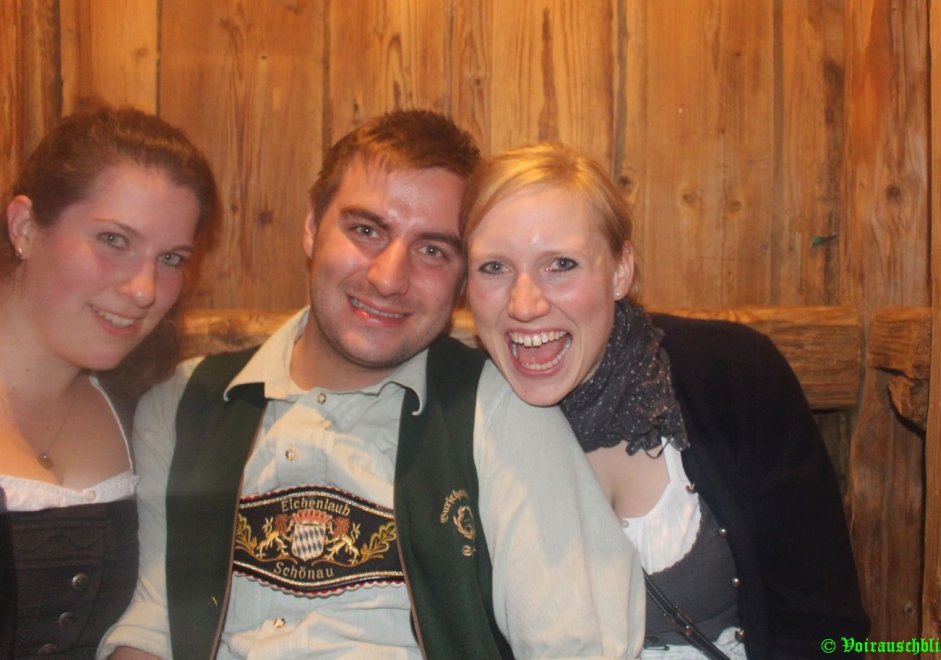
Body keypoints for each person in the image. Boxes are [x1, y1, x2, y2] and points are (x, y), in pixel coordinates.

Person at [100, 110, 643, 659]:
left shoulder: (497, 407)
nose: (388, 278)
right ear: (311, 225)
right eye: (366, 231)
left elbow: (575, 645)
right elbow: (153, 623)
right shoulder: (185, 402)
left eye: (433, 250)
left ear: (462, 278)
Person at [463, 142, 870, 659]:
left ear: (620, 271)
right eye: (494, 267)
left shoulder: (734, 376)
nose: (524, 305)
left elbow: (825, 627)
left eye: (561, 264)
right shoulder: (458, 420)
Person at [0, 106, 220, 658]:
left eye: (170, 258)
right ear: (25, 228)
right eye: (114, 240)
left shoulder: (147, 411)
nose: (144, 289)